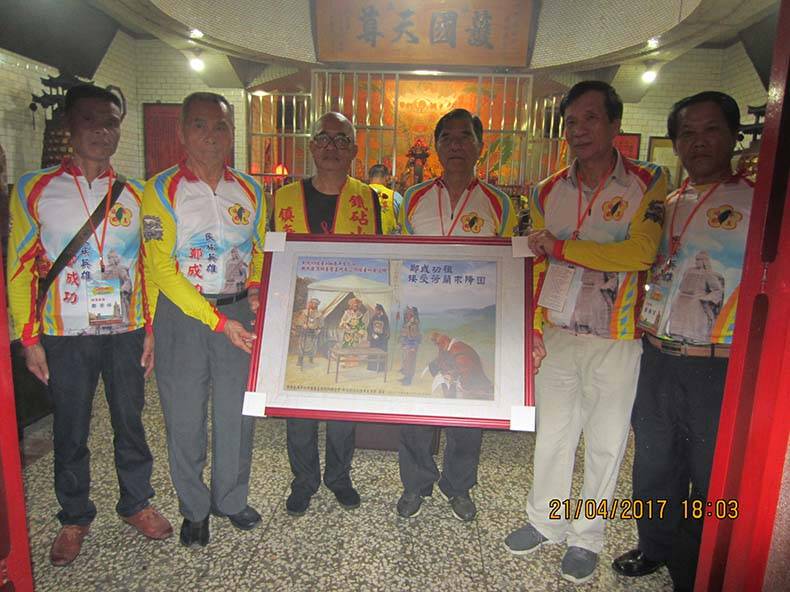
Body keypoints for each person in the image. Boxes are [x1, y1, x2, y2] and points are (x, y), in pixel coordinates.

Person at [504, 81, 667, 584]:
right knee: (553, 435)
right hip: (557, 334)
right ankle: (545, 521)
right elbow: (535, 263)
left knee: (604, 442)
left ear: (615, 124)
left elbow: (640, 252)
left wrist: (562, 247)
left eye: (591, 118)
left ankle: (587, 536)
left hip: (616, 339)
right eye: (571, 122)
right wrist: (532, 326)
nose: (579, 130)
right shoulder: (547, 190)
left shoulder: (648, 181)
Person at [6, 84, 172, 567]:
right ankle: (74, 516)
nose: (102, 130)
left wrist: (150, 328)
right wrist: (29, 338)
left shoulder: (137, 194)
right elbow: (19, 267)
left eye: (111, 121)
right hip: (64, 334)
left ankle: (136, 502)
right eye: (90, 120)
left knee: (130, 421)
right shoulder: (34, 189)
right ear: (69, 126)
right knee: (71, 427)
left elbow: (148, 265)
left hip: (125, 330)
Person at [612, 91, 752, 592]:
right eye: (687, 134)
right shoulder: (665, 207)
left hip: (717, 364)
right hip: (657, 356)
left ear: (734, 136)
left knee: (708, 471)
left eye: (711, 130)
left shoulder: (756, 204)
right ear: (675, 144)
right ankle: (654, 546)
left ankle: (692, 568)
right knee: (654, 460)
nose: (699, 142)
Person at [141, 92, 266, 547]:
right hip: (183, 315)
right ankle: (194, 509)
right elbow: (160, 268)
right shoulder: (160, 190)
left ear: (232, 133)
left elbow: (258, 251)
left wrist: (255, 289)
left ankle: (230, 499)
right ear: (181, 131)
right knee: (184, 414)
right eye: (200, 125)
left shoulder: (250, 190)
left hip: (236, 311)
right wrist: (215, 321)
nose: (211, 135)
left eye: (221, 126)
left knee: (236, 411)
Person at [396, 108, 518, 522]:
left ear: (480, 145)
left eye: (465, 136)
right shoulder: (413, 199)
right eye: (447, 137)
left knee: (469, 400)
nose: (456, 145)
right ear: (435, 146)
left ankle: (459, 485)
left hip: (473, 318)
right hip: (424, 317)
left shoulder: (498, 203)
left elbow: (510, 266)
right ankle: (415, 483)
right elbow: (401, 256)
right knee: (416, 400)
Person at [272, 111, 382, 517]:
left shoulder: (369, 198)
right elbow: (269, 256)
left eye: (341, 140)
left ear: (354, 150)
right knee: (298, 401)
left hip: (345, 309)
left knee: (341, 402)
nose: (331, 147)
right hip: (296, 310)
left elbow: (379, 254)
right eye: (323, 138)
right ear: (311, 146)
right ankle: (303, 480)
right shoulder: (284, 197)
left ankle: (339, 477)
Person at [427, 332, 492, 400]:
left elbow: (465, 370)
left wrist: (453, 375)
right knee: (445, 382)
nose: (438, 347)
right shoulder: (451, 347)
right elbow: (443, 359)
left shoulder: (458, 350)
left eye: (438, 344)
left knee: (449, 387)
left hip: (475, 386)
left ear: (443, 342)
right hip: (467, 380)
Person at [368, 163, 403, 234]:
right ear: (387, 177)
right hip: (388, 239)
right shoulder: (394, 196)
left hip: (365, 238)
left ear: (369, 177)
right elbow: (404, 220)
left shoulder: (361, 193)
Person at [294, 298, 324, 367]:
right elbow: (300, 321)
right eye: (312, 303)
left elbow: (321, 324)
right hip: (305, 332)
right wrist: (303, 324)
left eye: (316, 304)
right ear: (310, 304)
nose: (314, 305)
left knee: (313, 346)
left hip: (313, 332)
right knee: (302, 346)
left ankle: (311, 359)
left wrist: (319, 329)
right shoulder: (305, 312)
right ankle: (300, 360)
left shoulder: (319, 314)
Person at [399, 306, 421, 385]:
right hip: (407, 345)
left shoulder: (414, 324)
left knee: (410, 363)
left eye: (409, 312)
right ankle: (405, 377)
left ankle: (408, 380)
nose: (408, 314)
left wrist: (414, 347)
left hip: (412, 346)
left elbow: (416, 337)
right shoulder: (408, 323)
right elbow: (404, 333)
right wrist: (403, 343)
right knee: (406, 363)